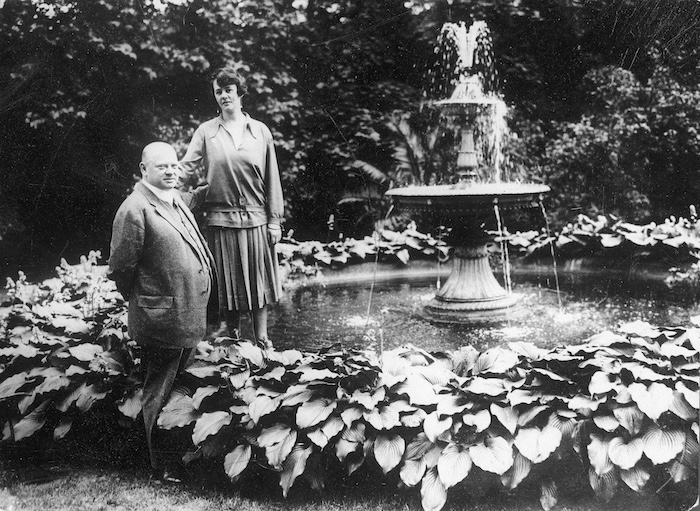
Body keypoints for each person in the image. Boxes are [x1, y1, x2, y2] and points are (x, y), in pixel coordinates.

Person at [108, 141, 213, 483]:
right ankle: (160, 466)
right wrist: (144, 299)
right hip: (161, 317)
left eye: (174, 166)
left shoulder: (175, 200)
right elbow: (122, 267)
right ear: (143, 171)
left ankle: (158, 454)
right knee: (159, 388)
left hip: (185, 314)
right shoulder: (134, 209)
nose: (171, 172)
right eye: (162, 167)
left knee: (172, 387)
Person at [180, 67, 284, 345]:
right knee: (228, 283)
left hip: (257, 219)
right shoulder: (206, 132)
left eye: (228, 89)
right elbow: (185, 168)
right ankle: (234, 338)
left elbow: (272, 176)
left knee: (258, 282)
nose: (224, 95)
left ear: (240, 92)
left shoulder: (260, 131)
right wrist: (161, 182)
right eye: (218, 91)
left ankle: (263, 341)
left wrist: (274, 220)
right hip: (221, 219)